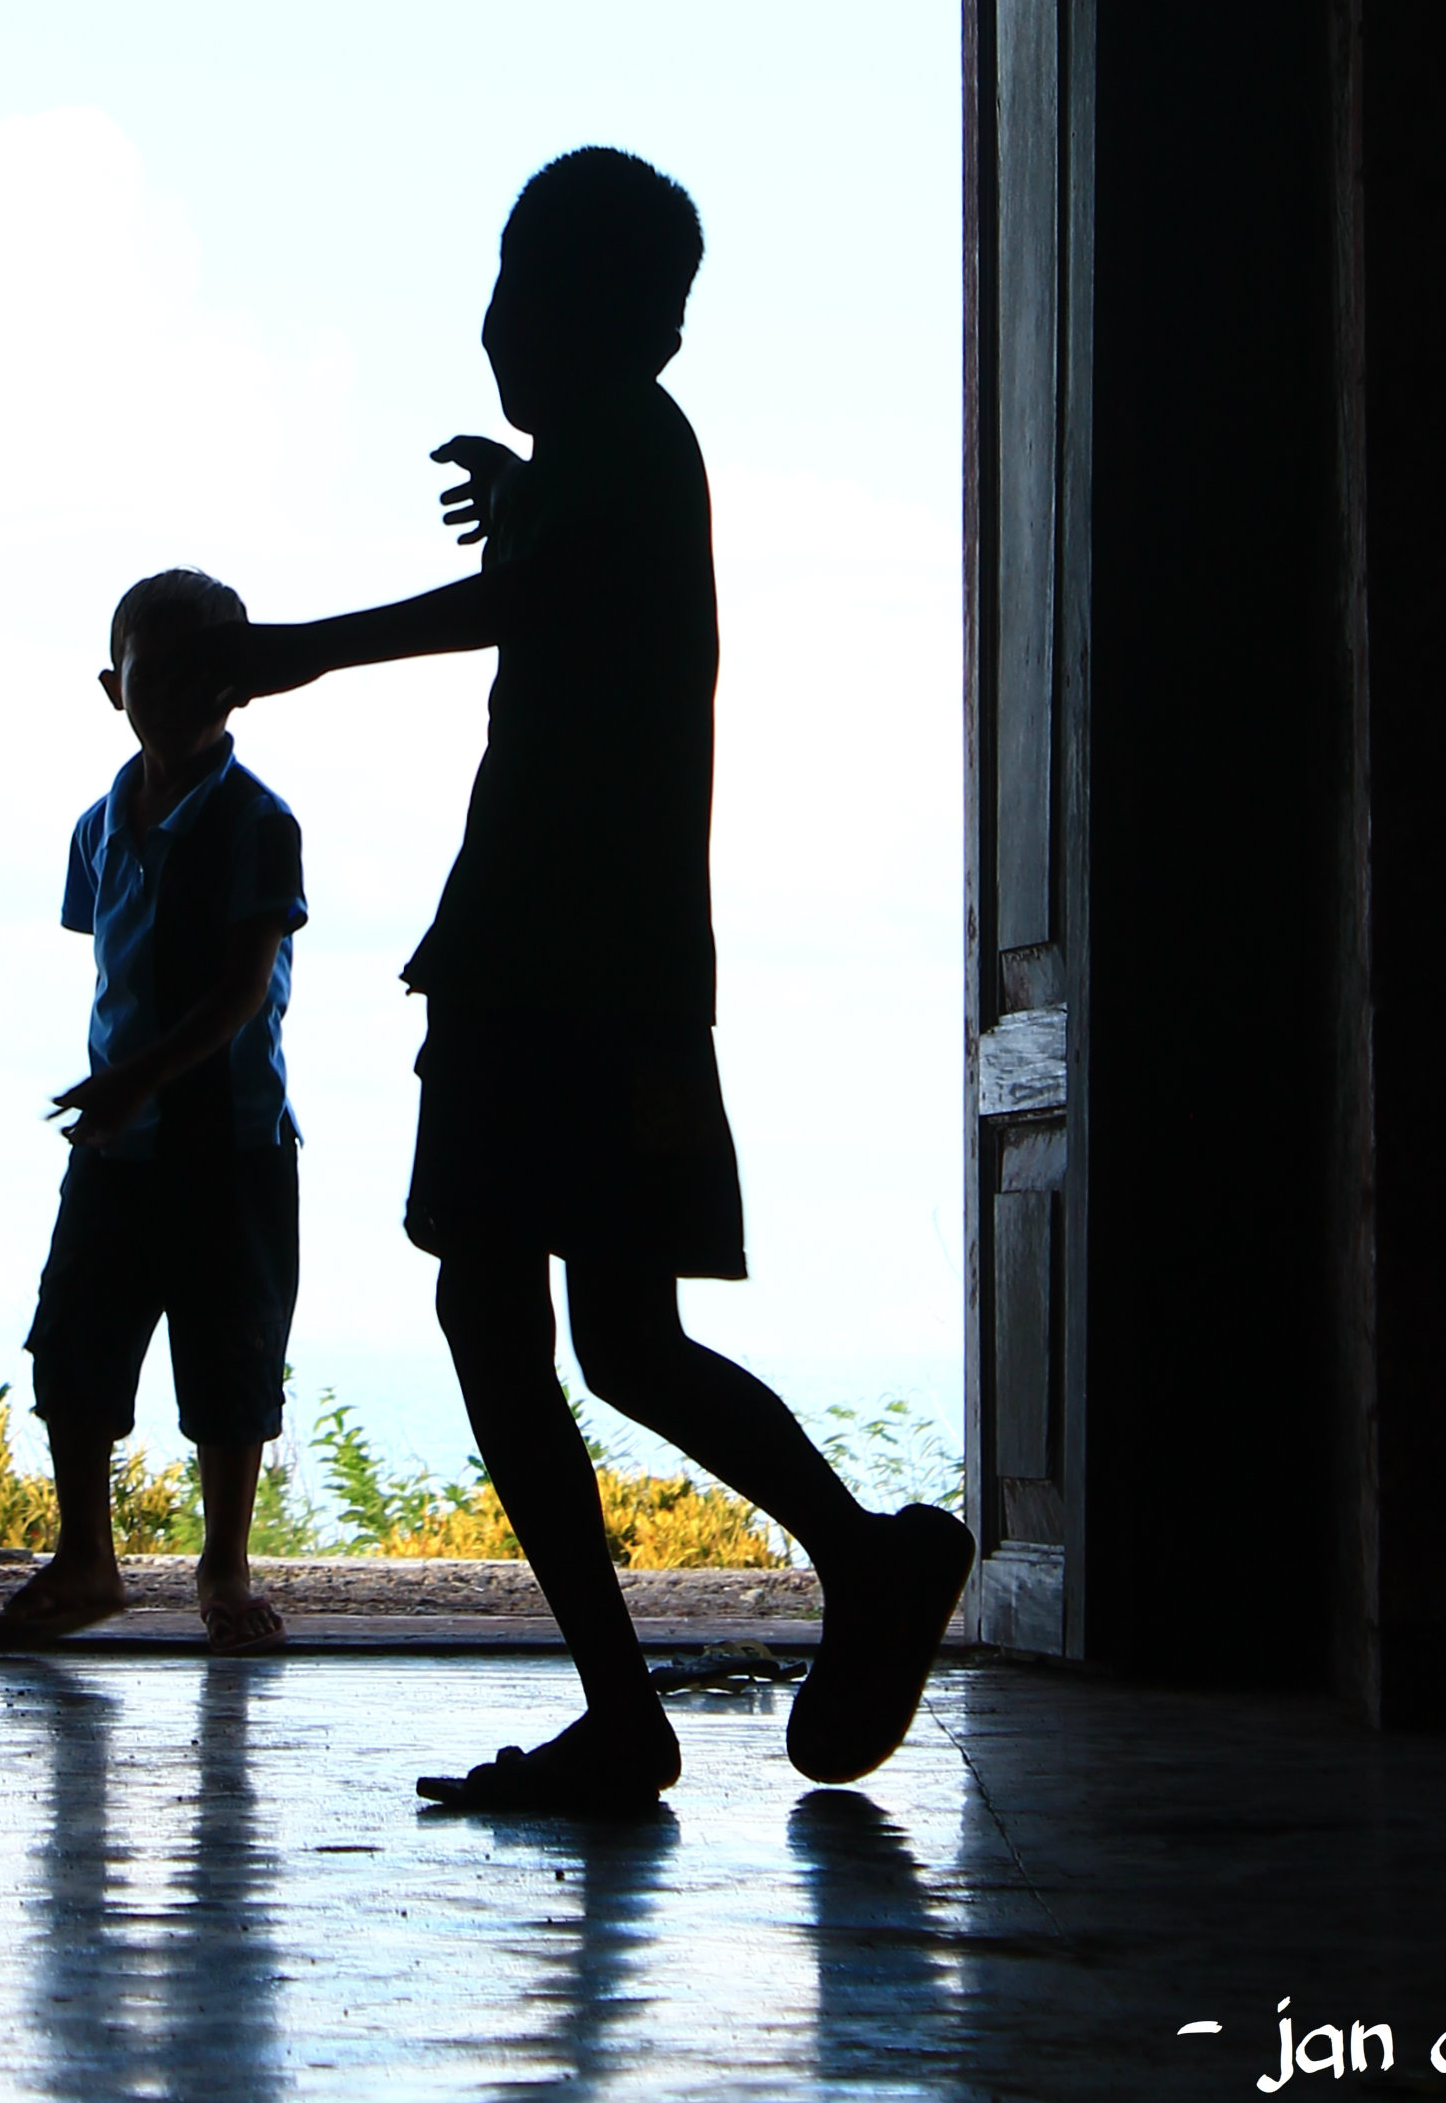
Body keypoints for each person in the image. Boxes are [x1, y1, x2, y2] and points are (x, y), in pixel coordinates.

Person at [193, 146, 973, 1813]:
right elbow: (560, 575)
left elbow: (527, 600)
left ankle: (659, 1688)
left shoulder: (626, 442)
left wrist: (294, 649)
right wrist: (524, 493)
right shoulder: (619, 450)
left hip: (550, 965)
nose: (496, 327)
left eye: (521, 295)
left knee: (503, 1315)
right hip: (602, 966)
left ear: (611, 324)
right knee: (616, 1336)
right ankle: (846, 1565)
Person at [0, 566, 307, 1655]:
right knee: (74, 1345)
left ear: (239, 685)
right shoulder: (98, 826)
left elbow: (241, 992)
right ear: (111, 686)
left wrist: (135, 1077)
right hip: (119, 1141)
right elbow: (113, 960)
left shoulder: (259, 823)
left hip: (231, 1141)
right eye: (152, 675)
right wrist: (123, 1092)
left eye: (201, 673)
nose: (172, 695)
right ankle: (86, 1556)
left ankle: (224, 1562)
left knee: (230, 1359)